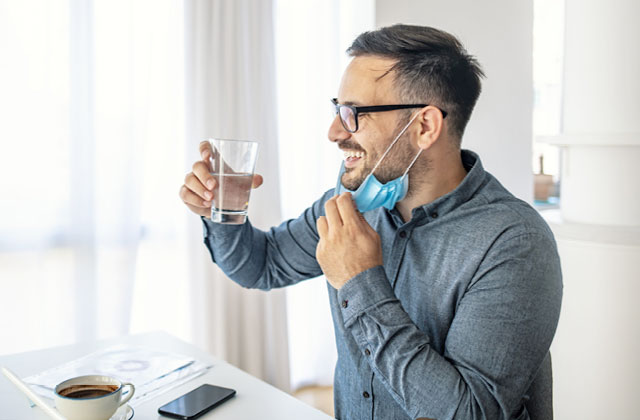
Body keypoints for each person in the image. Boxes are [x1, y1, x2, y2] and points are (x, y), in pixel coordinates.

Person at [179, 24, 562, 420]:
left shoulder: (515, 243)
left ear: (424, 127)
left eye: (353, 114)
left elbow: (468, 413)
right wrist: (223, 207)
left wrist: (360, 282)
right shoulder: (352, 203)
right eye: (337, 109)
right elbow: (261, 265)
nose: (333, 132)